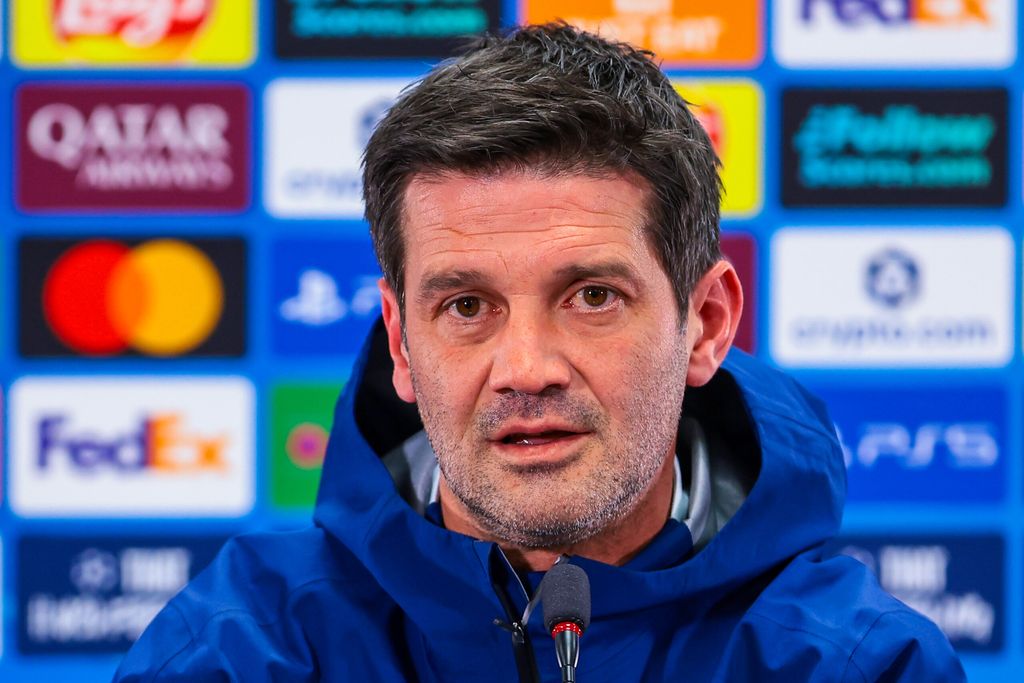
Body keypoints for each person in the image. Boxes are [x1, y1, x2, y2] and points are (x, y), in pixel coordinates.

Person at [115, 23, 965, 682]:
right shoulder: (242, 651)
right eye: (467, 306)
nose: (526, 368)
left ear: (706, 324)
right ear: (402, 342)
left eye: (592, 297)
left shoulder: (855, 665)